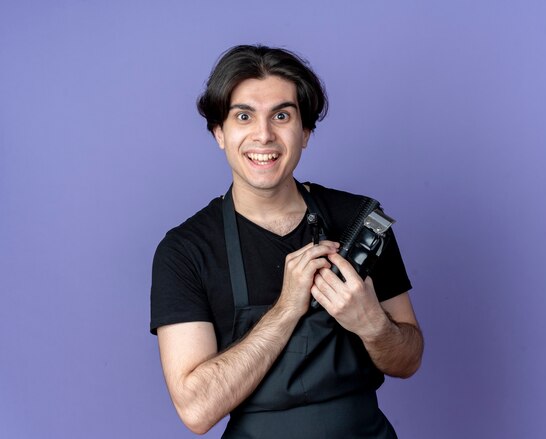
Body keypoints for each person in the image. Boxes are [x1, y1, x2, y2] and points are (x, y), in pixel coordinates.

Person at [150, 44, 424, 438]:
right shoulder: (186, 251)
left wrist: (371, 325)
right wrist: (286, 309)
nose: (264, 135)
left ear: (306, 132)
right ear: (219, 133)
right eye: (244, 116)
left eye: (281, 115)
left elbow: (408, 359)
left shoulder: (359, 220)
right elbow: (196, 409)